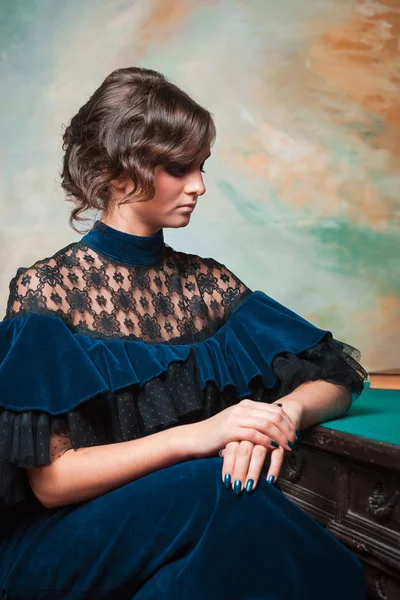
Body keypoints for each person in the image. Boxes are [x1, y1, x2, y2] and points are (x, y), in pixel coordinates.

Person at [0, 66, 368, 600]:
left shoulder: (210, 285)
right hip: (60, 544)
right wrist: (203, 436)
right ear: (117, 171)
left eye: (201, 166)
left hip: (182, 529)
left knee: (211, 566)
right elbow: (54, 484)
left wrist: (277, 416)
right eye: (179, 168)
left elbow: (334, 376)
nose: (199, 185)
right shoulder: (47, 290)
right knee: (216, 485)